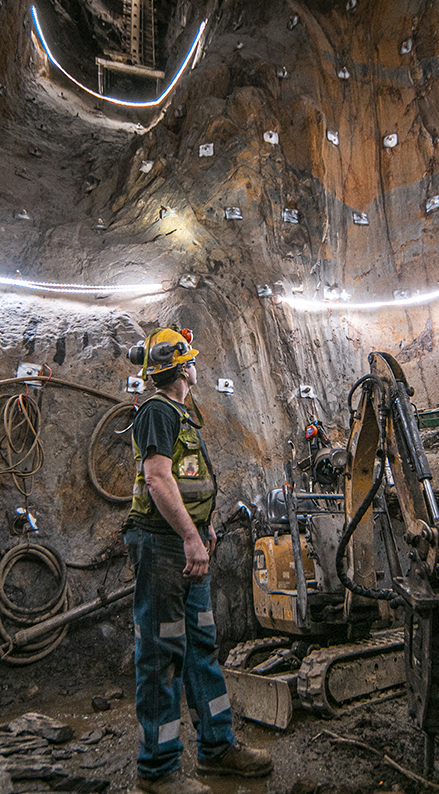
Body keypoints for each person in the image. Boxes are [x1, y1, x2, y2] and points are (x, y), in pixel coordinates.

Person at [125, 326, 272, 794]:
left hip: (187, 543)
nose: (196, 366)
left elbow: (185, 480)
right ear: (181, 366)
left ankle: (216, 748)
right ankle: (159, 772)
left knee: (201, 647)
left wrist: (203, 526)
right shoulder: (156, 411)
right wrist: (190, 537)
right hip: (163, 546)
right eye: (191, 359)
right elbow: (157, 479)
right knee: (161, 654)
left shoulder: (182, 414)